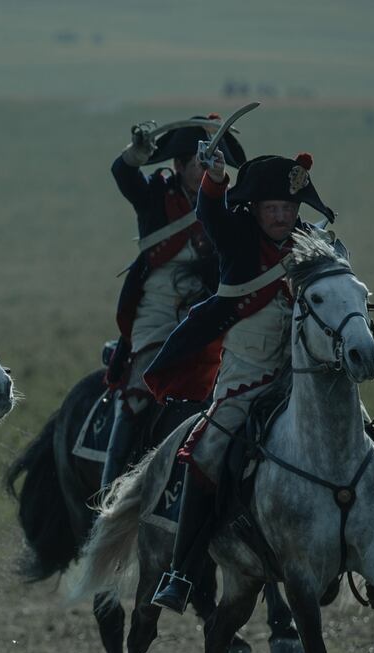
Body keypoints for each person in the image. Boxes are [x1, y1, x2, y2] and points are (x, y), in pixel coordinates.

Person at [143, 150, 337, 612]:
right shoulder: (236, 237)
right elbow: (209, 210)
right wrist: (214, 179)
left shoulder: (312, 244)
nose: (281, 216)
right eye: (272, 208)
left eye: (288, 208)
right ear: (254, 209)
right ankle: (181, 571)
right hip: (245, 383)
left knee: (362, 440)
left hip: (301, 382)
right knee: (205, 451)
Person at [101, 116, 246, 490]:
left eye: (216, 159)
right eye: (201, 160)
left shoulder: (227, 203)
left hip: (211, 312)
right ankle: (109, 492)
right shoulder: (155, 196)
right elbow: (125, 175)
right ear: (179, 165)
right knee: (137, 396)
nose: (210, 166)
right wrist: (135, 155)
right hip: (159, 309)